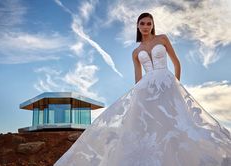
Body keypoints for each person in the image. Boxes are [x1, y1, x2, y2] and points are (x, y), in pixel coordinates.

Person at [54, 12, 231, 166]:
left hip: (168, 84)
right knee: (152, 127)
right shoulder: (136, 51)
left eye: (149, 23)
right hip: (146, 90)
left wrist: (176, 85)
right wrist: (136, 99)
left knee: (178, 123)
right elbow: (138, 78)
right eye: (142, 23)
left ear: (153, 25)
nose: (146, 26)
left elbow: (176, 62)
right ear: (137, 26)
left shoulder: (162, 39)